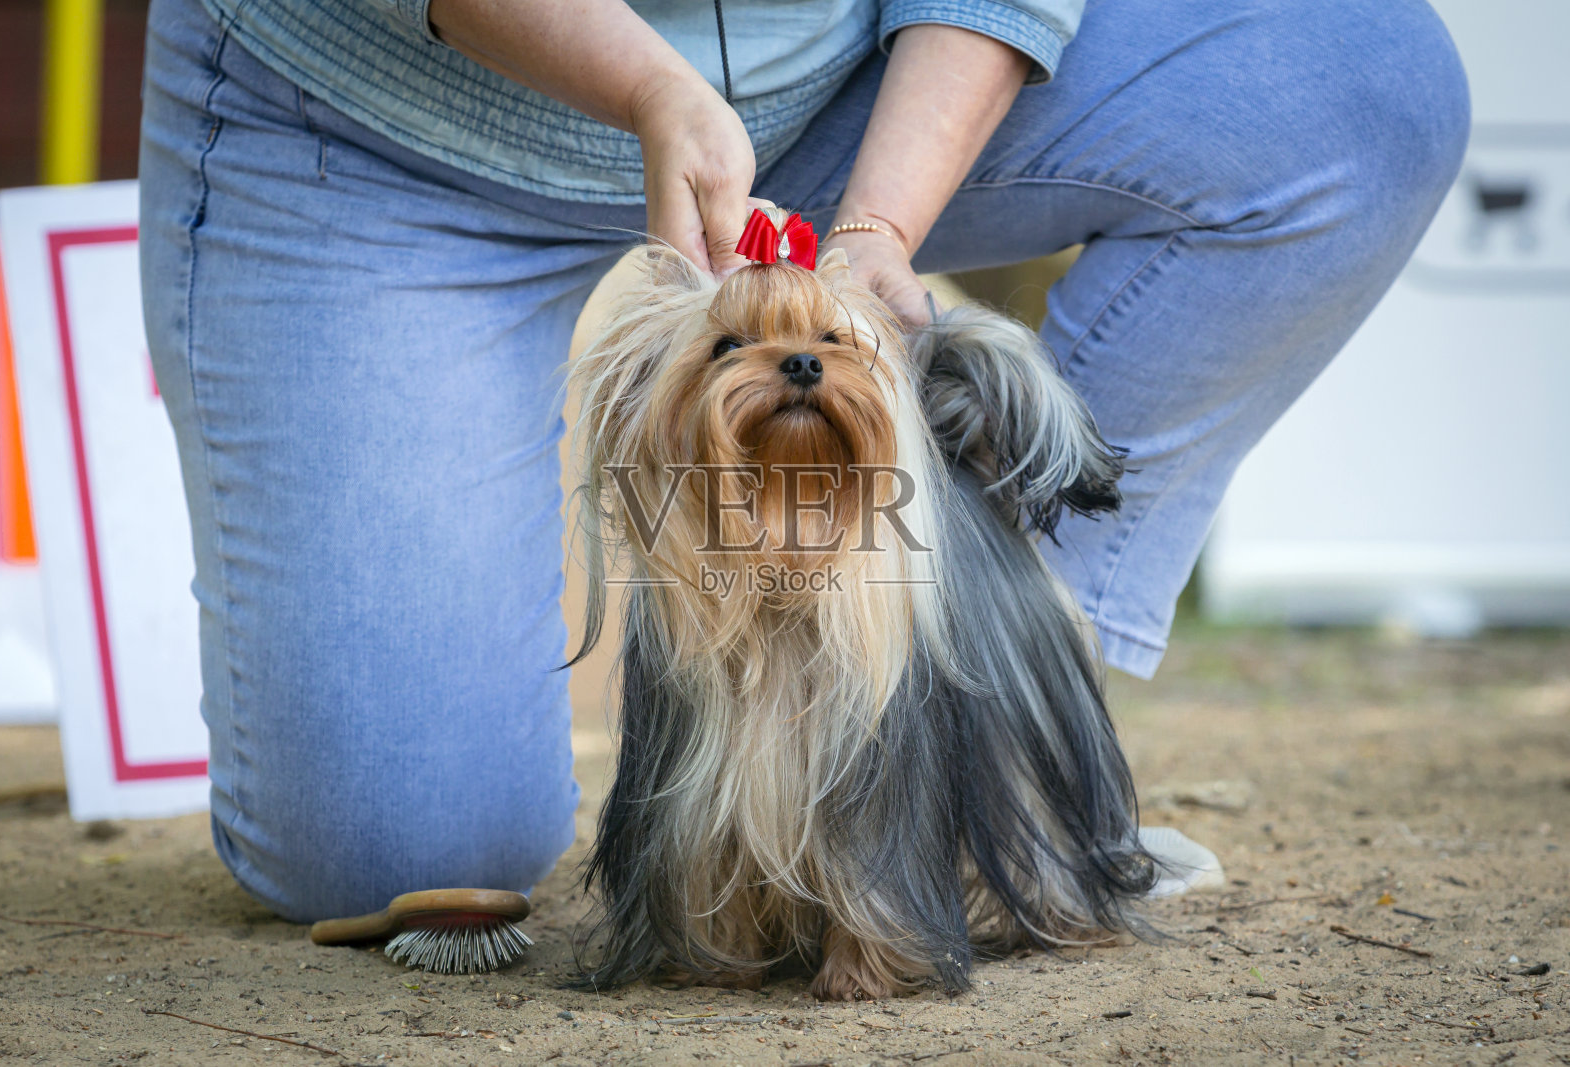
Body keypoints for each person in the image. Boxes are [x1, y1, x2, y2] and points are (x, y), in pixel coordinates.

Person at [138, 0, 1468, 922]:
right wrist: (653, 88)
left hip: (836, 88)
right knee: (391, 851)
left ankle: (998, 724)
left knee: (1359, 87)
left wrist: (885, 221)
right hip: (388, 126)